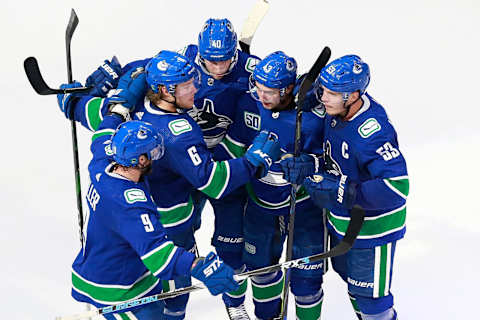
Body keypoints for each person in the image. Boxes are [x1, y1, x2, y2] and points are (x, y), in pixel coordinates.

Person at [59, 50, 281, 320]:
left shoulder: (104, 155)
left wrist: (72, 100)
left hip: (113, 257)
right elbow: (213, 182)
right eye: (187, 85)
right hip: (159, 233)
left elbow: (102, 122)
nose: (195, 89)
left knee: (154, 274)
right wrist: (252, 163)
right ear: (164, 89)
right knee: (174, 289)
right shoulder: (175, 138)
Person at [72, 112, 240, 320]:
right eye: (152, 152)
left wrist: (117, 110)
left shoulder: (102, 164)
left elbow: (102, 135)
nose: (156, 156)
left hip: (100, 268)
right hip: (119, 289)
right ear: (141, 160)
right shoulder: (130, 204)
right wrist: (199, 266)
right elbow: (158, 257)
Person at [281, 55, 409, 320]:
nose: (322, 97)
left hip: (372, 231)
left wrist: (346, 191)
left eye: (331, 93)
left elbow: (397, 187)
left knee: (372, 302)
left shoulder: (372, 133)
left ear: (352, 96)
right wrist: (311, 164)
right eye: (323, 90)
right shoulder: (336, 113)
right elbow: (338, 161)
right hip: (344, 223)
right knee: (353, 285)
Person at [215, 51, 327, 320]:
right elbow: (232, 149)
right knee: (260, 270)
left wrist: (311, 163)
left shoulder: (313, 117)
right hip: (259, 205)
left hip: (304, 207)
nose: (261, 96)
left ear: (289, 89)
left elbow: (334, 161)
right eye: (259, 88)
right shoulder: (250, 105)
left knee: (306, 282)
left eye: (269, 91)